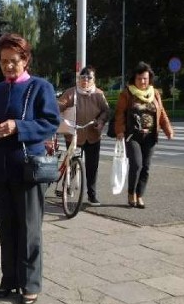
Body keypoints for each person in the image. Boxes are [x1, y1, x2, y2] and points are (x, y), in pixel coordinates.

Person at [0, 33, 60, 304]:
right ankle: (9, 281)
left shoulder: (40, 88)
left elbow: (50, 123)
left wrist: (18, 127)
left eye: (14, 61)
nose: (8, 66)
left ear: (25, 60)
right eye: (3, 62)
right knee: (6, 228)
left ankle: (30, 283)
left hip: (28, 170)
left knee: (29, 229)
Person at [113, 61, 174, 208]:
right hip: (132, 136)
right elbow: (120, 113)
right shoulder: (127, 93)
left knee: (146, 167)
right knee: (137, 164)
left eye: (145, 78)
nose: (142, 81)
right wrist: (120, 130)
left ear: (149, 79)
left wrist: (168, 129)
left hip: (150, 136)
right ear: (134, 78)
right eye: (139, 78)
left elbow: (161, 113)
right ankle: (131, 193)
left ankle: (140, 195)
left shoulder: (155, 93)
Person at [57, 66, 110, 206]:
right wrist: (54, 109)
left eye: (89, 77)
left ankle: (92, 195)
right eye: (82, 77)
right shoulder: (71, 93)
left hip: (93, 135)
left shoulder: (98, 94)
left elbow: (106, 111)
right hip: (73, 135)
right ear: (78, 79)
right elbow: (60, 105)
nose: (85, 80)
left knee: (92, 167)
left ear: (94, 80)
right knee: (72, 163)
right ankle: (67, 184)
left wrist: (100, 121)